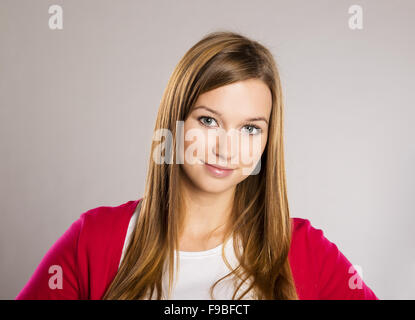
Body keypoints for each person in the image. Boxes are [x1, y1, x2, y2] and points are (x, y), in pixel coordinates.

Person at [15, 30, 379, 300]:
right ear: (175, 121)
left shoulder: (304, 249)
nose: (226, 148)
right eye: (208, 121)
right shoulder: (94, 239)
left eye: (250, 128)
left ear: (267, 142)